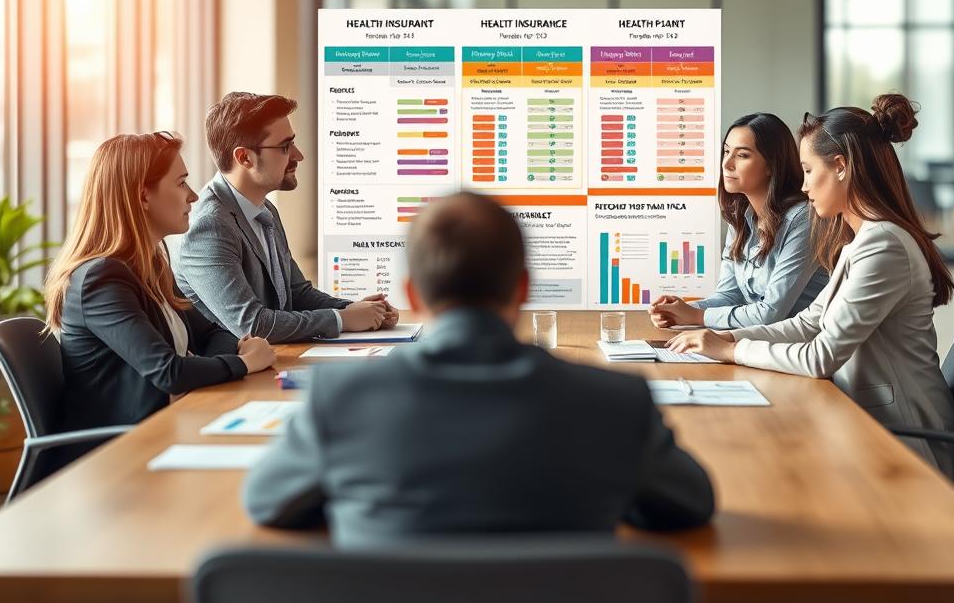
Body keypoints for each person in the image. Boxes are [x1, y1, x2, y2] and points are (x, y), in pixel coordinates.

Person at [243, 191, 715, 544]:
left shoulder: (339, 398)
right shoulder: (616, 403)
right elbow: (690, 505)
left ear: (412, 295)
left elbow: (268, 502)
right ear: (523, 287)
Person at [667, 94, 954, 485]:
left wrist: (731, 349)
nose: (804, 186)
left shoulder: (884, 245)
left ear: (840, 167)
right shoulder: (862, 240)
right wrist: (724, 336)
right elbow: (809, 322)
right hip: (867, 426)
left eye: (809, 170)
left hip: (908, 449)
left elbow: (821, 355)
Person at [47, 132, 276, 432]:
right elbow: (169, 372)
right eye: (181, 182)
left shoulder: (149, 266)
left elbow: (215, 333)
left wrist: (198, 369)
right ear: (144, 196)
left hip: (172, 423)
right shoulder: (99, 280)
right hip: (120, 451)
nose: (193, 195)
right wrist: (245, 363)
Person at [174, 92, 398, 343]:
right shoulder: (210, 225)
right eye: (285, 147)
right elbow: (252, 325)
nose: (298, 155)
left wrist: (360, 310)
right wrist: (341, 319)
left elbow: (295, 293)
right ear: (244, 157)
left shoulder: (264, 209)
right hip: (234, 375)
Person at [649, 113, 828, 337]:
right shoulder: (741, 219)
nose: (727, 163)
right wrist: (680, 310)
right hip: (756, 343)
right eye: (726, 151)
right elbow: (729, 296)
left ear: (771, 165)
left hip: (799, 350)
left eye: (742, 155)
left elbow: (770, 314)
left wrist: (696, 316)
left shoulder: (804, 220)